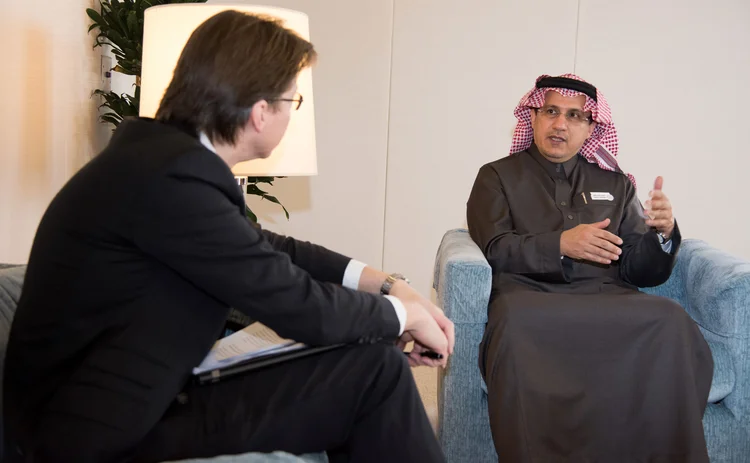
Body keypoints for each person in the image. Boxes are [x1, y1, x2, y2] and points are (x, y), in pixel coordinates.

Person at [3, 11, 453, 463]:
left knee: (374, 366)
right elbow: (299, 306)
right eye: (292, 101)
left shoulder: (161, 161)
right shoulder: (170, 180)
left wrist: (387, 287)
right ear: (261, 112)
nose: (291, 113)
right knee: (376, 376)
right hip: (94, 433)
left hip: (137, 399)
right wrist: (403, 316)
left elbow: (273, 250)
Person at [466, 74, 713, 462]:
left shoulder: (616, 184)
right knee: (513, 321)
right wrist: (560, 244)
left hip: (607, 296)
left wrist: (662, 234)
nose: (560, 124)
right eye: (551, 111)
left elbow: (639, 270)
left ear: (591, 127)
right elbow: (495, 248)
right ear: (533, 117)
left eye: (574, 116)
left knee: (671, 319)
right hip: (531, 298)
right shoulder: (496, 176)